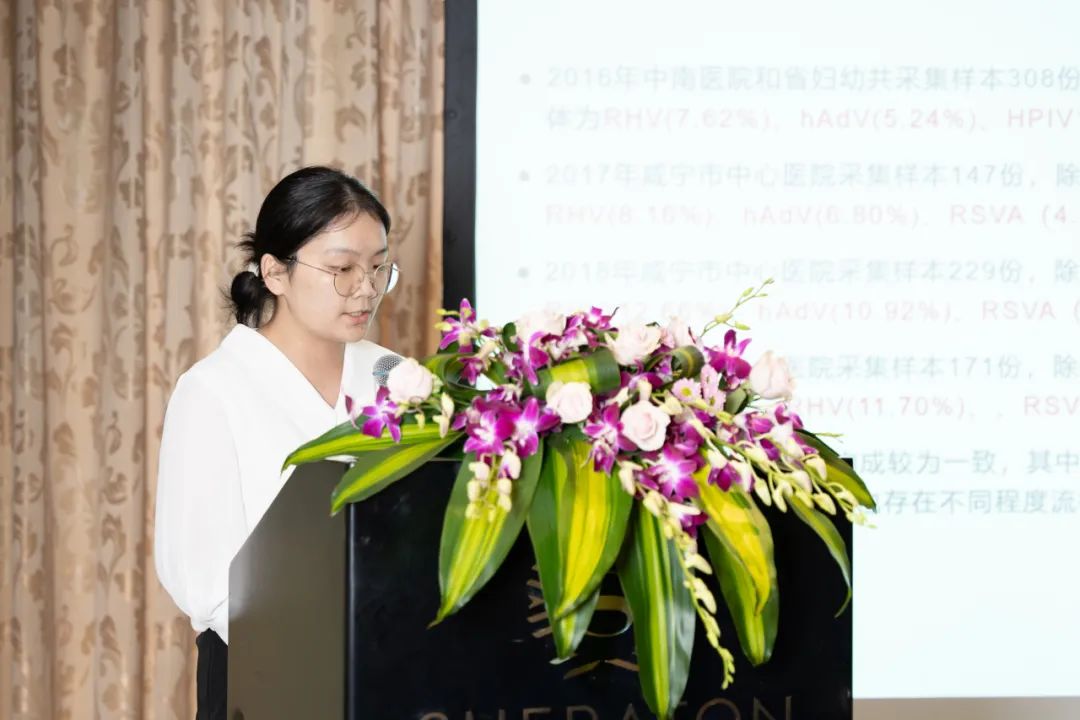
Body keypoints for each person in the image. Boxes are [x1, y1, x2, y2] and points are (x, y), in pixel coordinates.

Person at [153, 166, 399, 719]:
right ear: (274, 272)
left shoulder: (396, 376)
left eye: (378, 266)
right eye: (342, 269)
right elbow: (204, 581)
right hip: (264, 673)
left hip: (386, 668)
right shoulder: (214, 390)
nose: (366, 288)